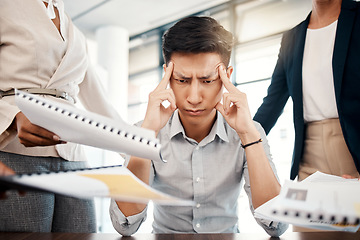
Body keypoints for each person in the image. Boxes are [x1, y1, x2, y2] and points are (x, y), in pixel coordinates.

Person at [109, 16, 288, 237]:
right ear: (167, 76)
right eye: (182, 80)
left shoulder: (249, 132)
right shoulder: (144, 130)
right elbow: (125, 225)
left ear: (226, 77)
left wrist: (247, 134)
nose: (194, 97)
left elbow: (276, 225)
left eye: (207, 80)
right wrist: (147, 134)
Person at [0, 0, 122, 232]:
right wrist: (13, 115)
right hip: (16, 151)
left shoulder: (74, 31)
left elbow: (100, 104)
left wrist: (142, 149)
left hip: (73, 156)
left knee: (84, 234)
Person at [253, 0, 360, 182]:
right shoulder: (292, 38)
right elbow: (272, 104)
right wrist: (241, 140)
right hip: (309, 155)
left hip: (354, 150)